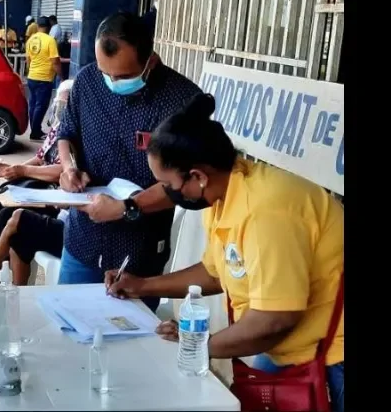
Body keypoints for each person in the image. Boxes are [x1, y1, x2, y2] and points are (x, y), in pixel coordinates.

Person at [106, 93, 344, 412]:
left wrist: (199, 346)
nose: (167, 193)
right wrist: (143, 285)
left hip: (334, 357)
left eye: (169, 185)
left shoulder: (265, 212)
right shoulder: (223, 195)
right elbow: (218, 271)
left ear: (199, 176)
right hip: (289, 346)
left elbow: (276, 318)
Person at [56, 12, 201, 313]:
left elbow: (186, 184)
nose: (111, 81)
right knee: (68, 330)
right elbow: (67, 133)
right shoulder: (87, 81)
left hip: (139, 255)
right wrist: (69, 167)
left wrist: (126, 208)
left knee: (128, 347)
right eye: (104, 72)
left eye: (122, 76)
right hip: (82, 242)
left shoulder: (183, 102)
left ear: (150, 61)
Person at [0, 79, 73, 284]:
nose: (61, 109)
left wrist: (22, 171)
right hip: (41, 186)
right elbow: (39, 158)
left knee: (10, 216)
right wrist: (11, 170)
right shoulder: (57, 128)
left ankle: (3, 268)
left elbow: (62, 172)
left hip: (53, 194)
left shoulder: (77, 134)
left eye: (66, 104)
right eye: (59, 103)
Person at [25, 16, 61, 141]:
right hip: (44, 78)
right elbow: (55, 61)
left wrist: (32, 71)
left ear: (38, 26)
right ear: (49, 27)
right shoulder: (50, 40)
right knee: (41, 105)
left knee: (33, 105)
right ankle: (35, 132)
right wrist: (62, 76)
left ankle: (35, 130)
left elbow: (28, 60)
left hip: (32, 77)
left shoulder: (30, 40)